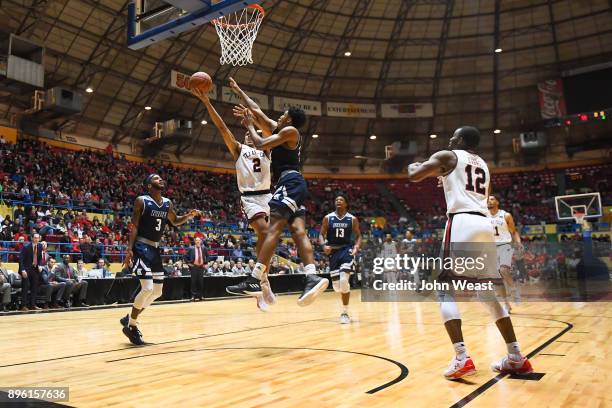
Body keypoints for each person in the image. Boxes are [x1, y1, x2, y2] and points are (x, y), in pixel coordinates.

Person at [407, 126, 533, 379]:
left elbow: (415, 176)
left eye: (453, 137)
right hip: (484, 225)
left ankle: (462, 358)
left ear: (461, 140)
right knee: (486, 293)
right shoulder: (483, 164)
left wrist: (414, 164)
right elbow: (463, 184)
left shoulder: (448, 155)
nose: (450, 139)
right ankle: (516, 356)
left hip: (461, 222)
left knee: (444, 288)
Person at [225, 77, 329, 306]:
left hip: (289, 182)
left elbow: (261, 144)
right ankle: (311, 276)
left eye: (282, 114)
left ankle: (255, 279)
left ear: (289, 119)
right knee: (298, 231)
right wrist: (238, 89)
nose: (279, 116)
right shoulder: (279, 129)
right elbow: (256, 110)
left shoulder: (289, 131)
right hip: (295, 184)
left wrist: (250, 126)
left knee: (273, 230)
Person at [191, 87, 273, 310]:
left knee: (268, 239)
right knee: (264, 233)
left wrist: (250, 114)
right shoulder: (239, 149)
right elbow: (221, 127)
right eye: (248, 133)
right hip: (250, 198)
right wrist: (207, 101)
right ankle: (261, 281)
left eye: (254, 132)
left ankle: (263, 279)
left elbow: (267, 124)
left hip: (269, 196)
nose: (250, 134)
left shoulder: (267, 150)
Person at [120, 174, 200, 345]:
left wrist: (189, 216)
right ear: (149, 185)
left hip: (155, 249)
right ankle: (131, 326)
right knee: (147, 288)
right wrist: (129, 249)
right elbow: (134, 226)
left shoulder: (167, 203)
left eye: (161, 178)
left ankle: (129, 317)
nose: (161, 180)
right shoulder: (142, 200)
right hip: (141, 246)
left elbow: (175, 220)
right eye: (156, 178)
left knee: (157, 292)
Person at [319, 195, 362, 324]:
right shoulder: (328, 218)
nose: (338, 201)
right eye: (336, 200)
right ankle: (345, 289)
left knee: (344, 281)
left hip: (346, 251)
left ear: (346, 204)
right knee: (338, 288)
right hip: (333, 252)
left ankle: (345, 313)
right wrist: (323, 245)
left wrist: (356, 247)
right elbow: (321, 234)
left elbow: (359, 236)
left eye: (341, 200)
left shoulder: (352, 219)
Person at [488, 195, 523, 312]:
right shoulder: (483, 216)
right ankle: (506, 303)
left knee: (503, 270)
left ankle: (513, 290)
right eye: (488, 200)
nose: (489, 201)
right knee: (496, 278)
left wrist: (518, 243)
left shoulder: (506, 215)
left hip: (505, 245)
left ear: (497, 202)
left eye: (492, 199)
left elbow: (514, 231)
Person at [18, 232, 43, 311]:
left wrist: (39, 265)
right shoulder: (26, 247)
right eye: (35, 238)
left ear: (39, 239)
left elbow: (39, 258)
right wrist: (22, 270)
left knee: (34, 288)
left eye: (37, 238)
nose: (36, 239)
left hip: (35, 269)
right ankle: (23, 306)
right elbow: (21, 259)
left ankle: (32, 305)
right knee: (25, 287)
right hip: (26, 269)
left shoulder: (40, 246)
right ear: (32, 238)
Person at [187, 237, 206, 301]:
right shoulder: (191, 248)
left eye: (199, 240)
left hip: (201, 267)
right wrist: (188, 263)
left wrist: (206, 263)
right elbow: (185, 256)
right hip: (194, 266)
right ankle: (193, 296)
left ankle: (200, 296)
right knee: (193, 282)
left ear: (201, 241)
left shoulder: (203, 248)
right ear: (195, 241)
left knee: (201, 282)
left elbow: (208, 256)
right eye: (196, 240)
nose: (198, 241)